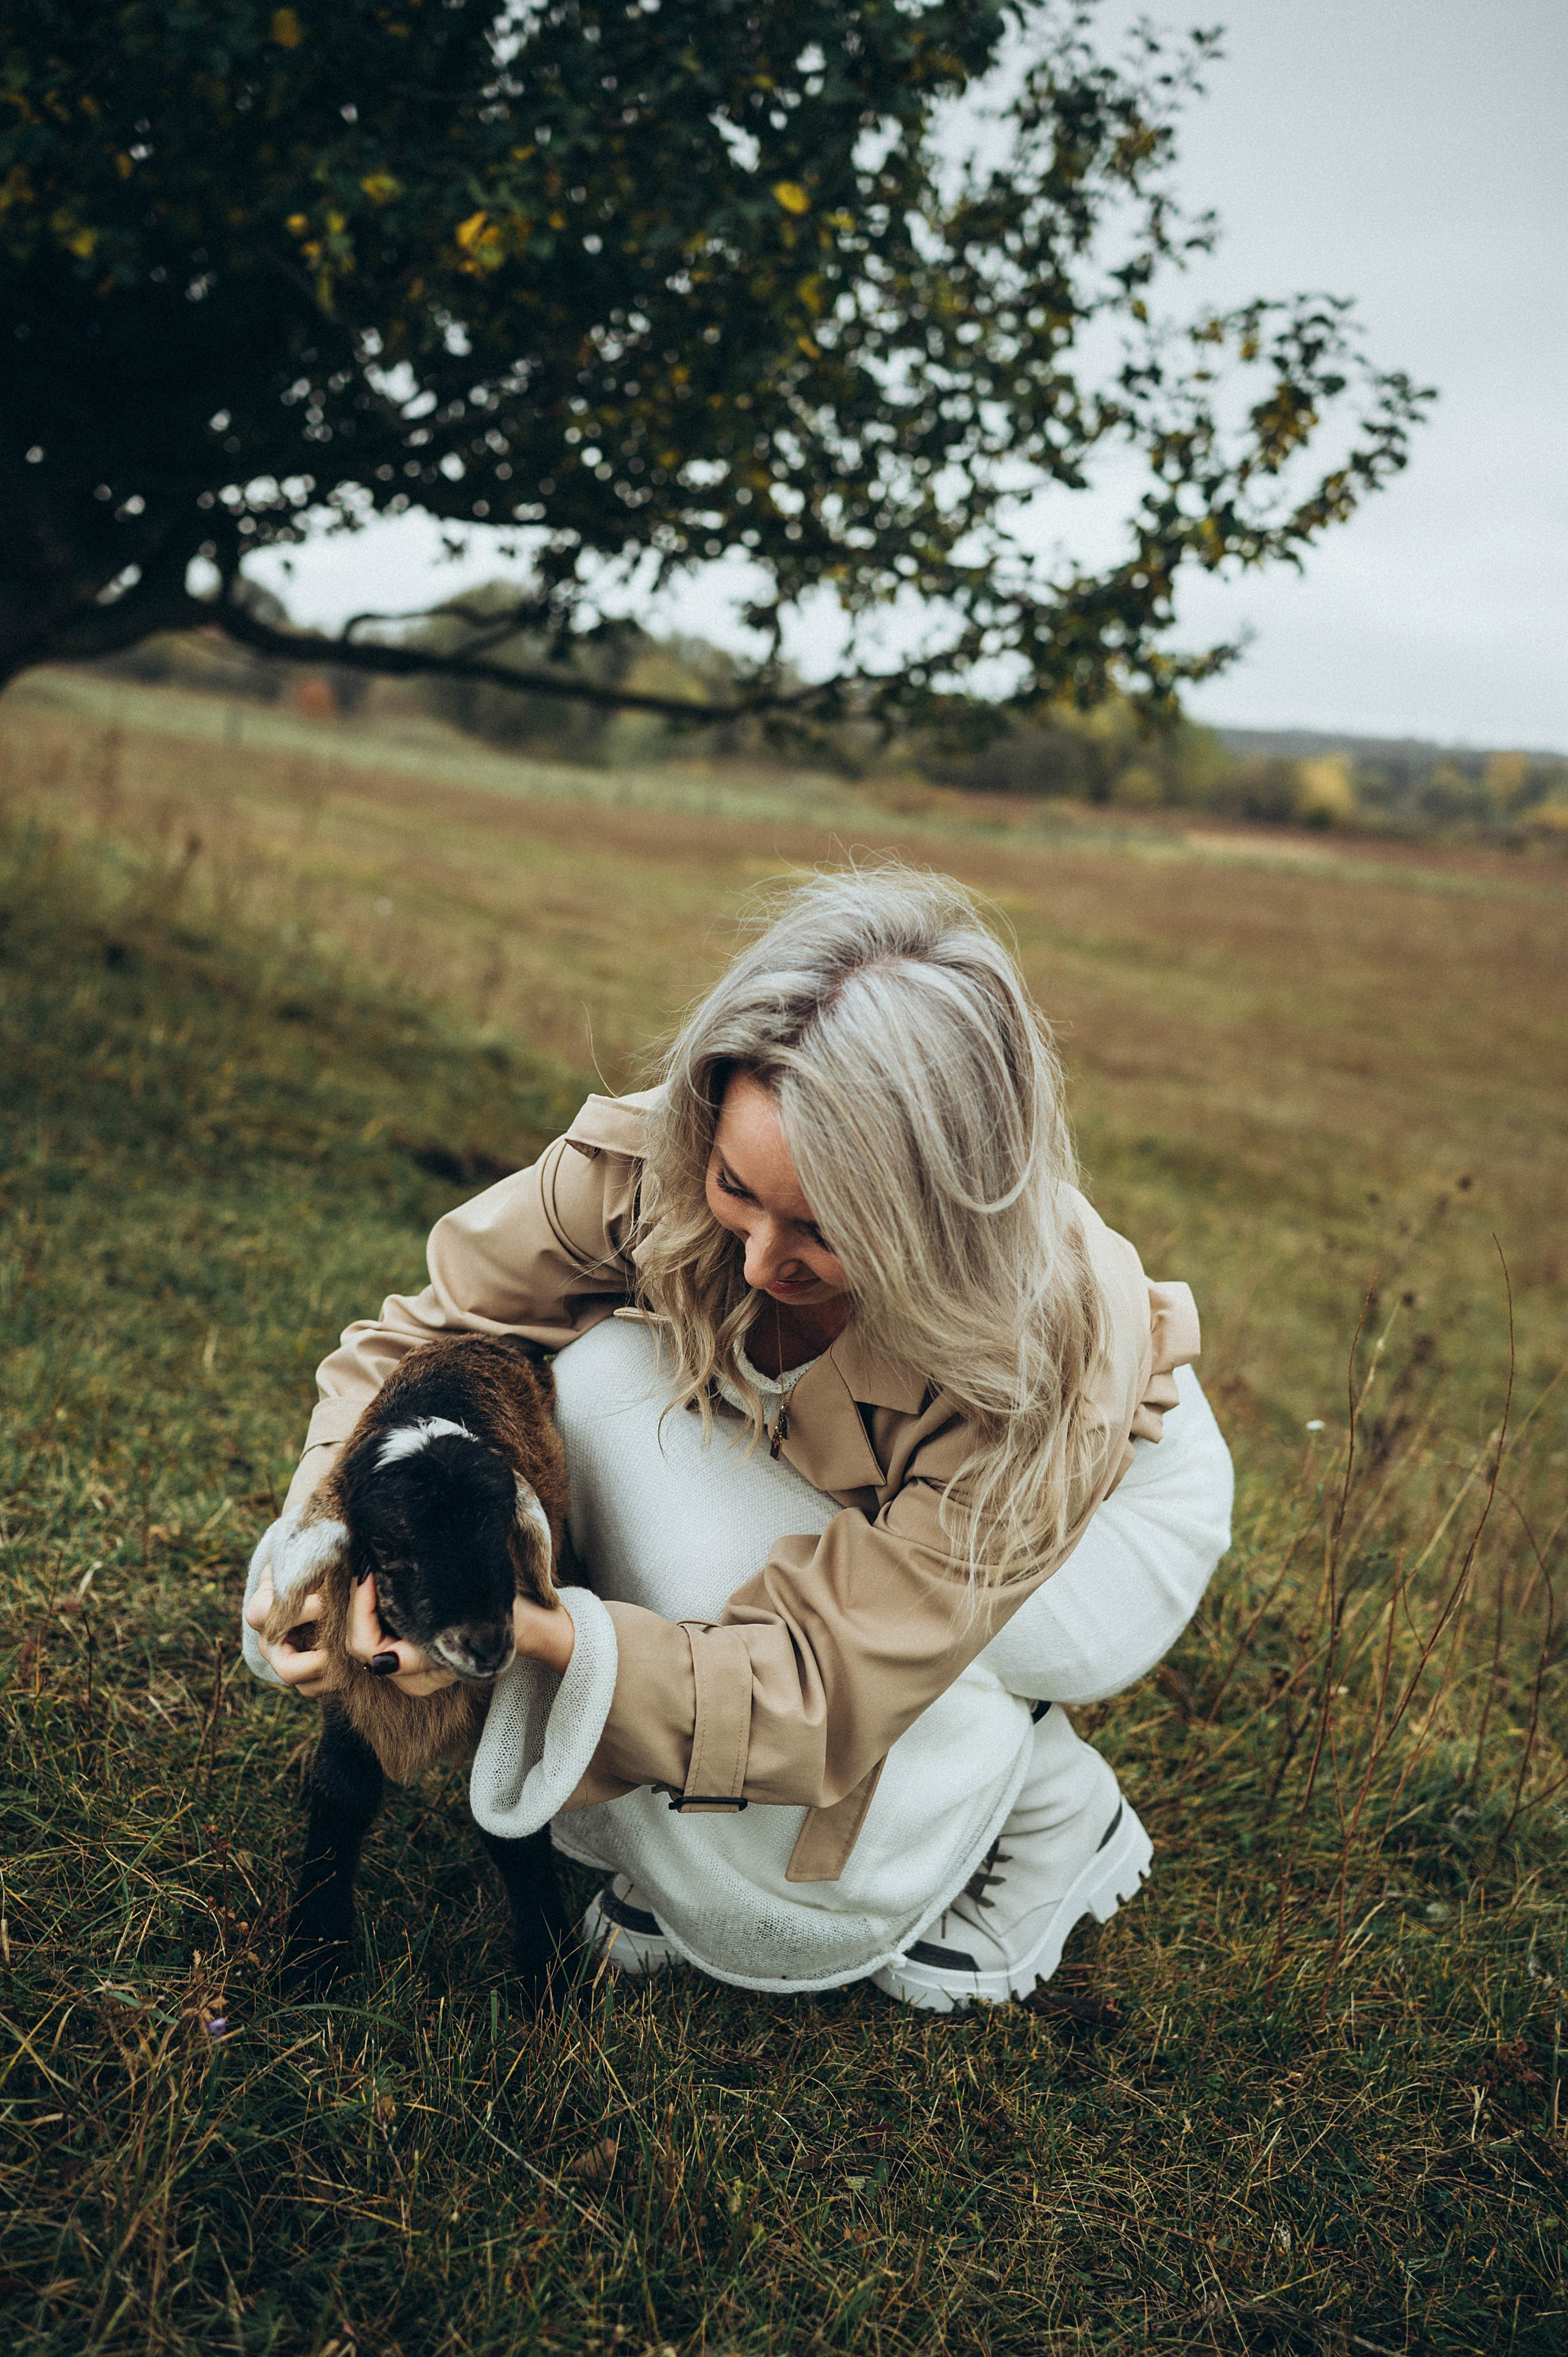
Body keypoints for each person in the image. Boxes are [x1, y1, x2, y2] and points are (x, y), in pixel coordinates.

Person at [244, 867, 1232, 2007]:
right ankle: (733, 1779)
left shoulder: (1030, 1360)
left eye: (825, 1229)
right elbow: (430, 1331)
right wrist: (323, 1542)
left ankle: (1041, 1797)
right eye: (736, 1188)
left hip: (1094, 1531)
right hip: (846, 1458)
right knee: (603, 1378)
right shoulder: (655, 1154)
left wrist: (541, 1630)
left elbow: (822, 1683)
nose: (761, 1262)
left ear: (935, 1218)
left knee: (796, 1655)